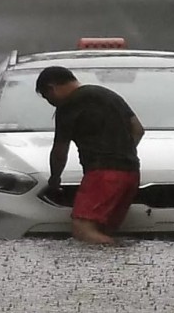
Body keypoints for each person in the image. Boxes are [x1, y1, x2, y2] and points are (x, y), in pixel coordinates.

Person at [36, 66, 145, 245]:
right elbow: (138, 130)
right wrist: (122, 152)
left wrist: (55, 178)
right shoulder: (111, 96)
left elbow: (60, 149)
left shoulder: (69, 104)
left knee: (83, 229)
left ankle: (131, 256)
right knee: (101, 231)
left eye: (48, 98)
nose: (51, 103)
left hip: (102, 175)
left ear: (51, 88)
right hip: (130, 173)